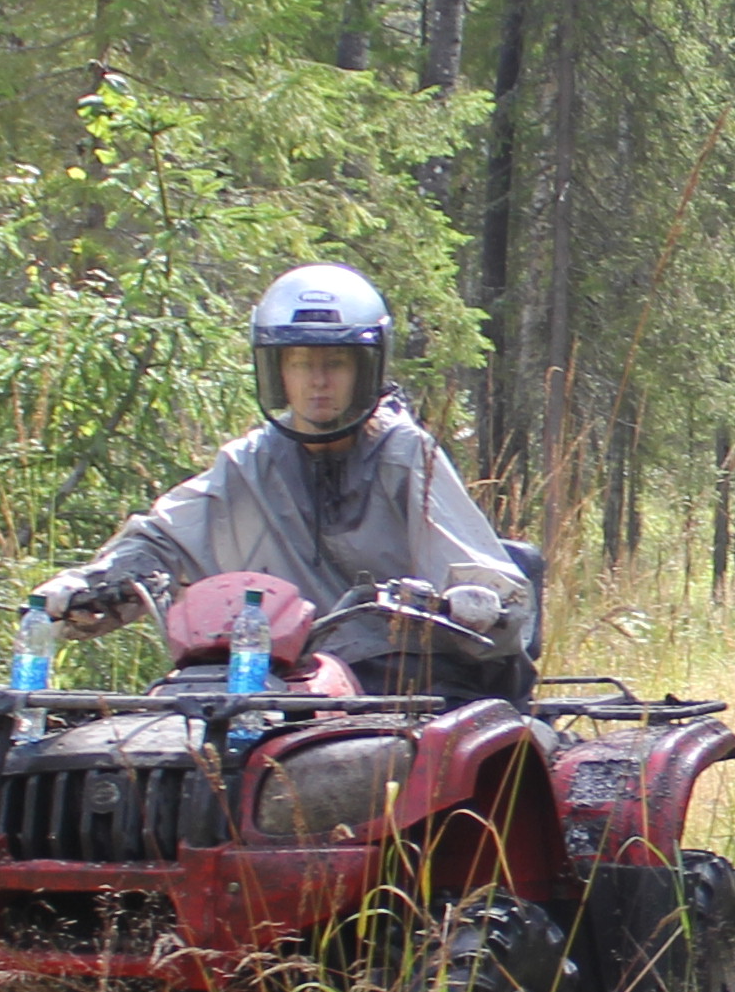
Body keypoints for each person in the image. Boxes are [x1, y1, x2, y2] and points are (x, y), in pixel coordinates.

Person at [35, 264, 534, 688]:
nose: (318, 381)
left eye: (335, 362)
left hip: (399, 684)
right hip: (274, 680)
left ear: (366, 368)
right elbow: (162, 538)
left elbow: (484, 583)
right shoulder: (249, 463)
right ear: (278, 372)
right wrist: (98, 584)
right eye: (300, 363)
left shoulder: (404, 455)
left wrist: (474, 604)